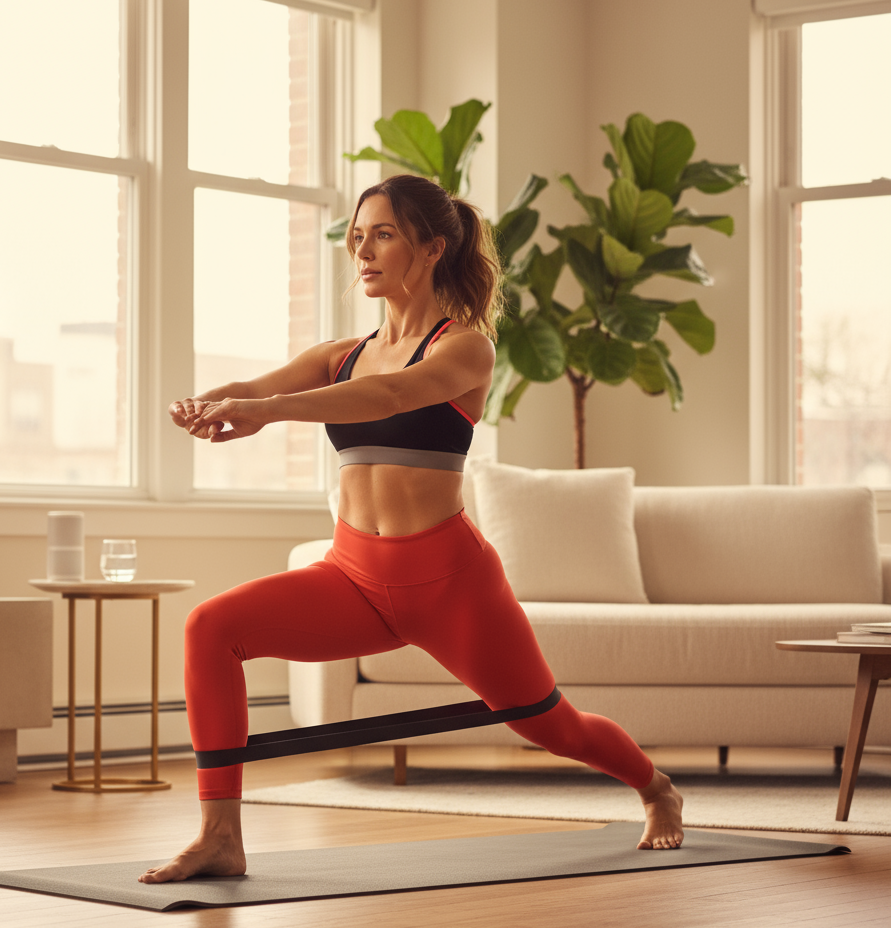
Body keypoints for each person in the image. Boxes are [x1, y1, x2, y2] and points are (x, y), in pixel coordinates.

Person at [139, 175, 683, 884]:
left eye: (384, 235)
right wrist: (208, 404)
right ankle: (220, 837)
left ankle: (655, 787)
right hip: (352, 577)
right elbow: (255, 388)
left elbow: (391, 394)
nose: (362, 251)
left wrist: (267, 412)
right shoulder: (340, 355)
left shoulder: (466, 349)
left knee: (551, 726)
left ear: (431, 248)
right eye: (357, 237)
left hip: (451, 586)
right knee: (211, 628)